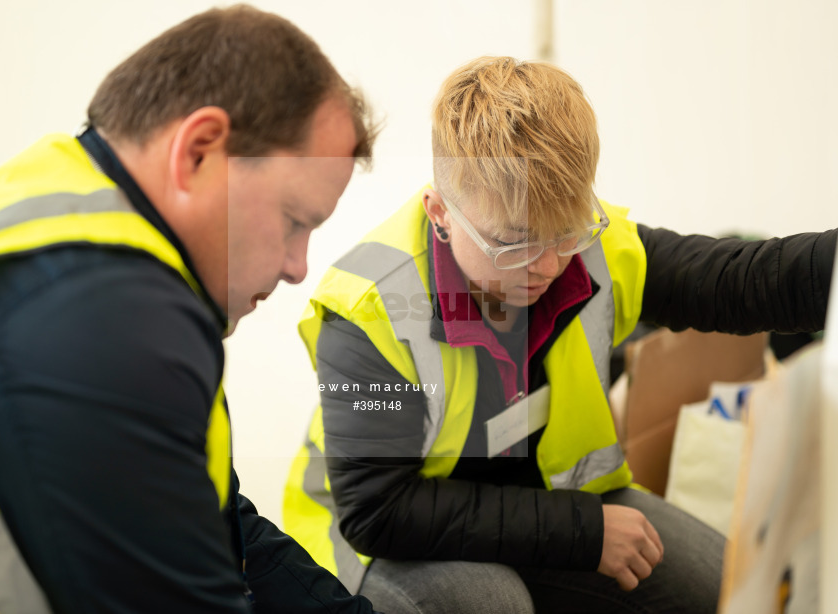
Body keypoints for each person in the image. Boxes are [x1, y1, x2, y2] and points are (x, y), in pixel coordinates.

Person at [283, 56, 836, 613]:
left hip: (542, 501)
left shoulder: (594, 251)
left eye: (566, 232)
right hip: (382, 541)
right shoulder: (369, 310)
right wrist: (580, 531)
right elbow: (380, 511)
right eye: (513, 242)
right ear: (440, 213)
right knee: (491, 603)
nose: (548, 266)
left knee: (731, 587)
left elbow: (742, 278)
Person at [0, 6, 382, 613]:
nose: (298, 266)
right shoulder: (102, 318)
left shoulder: (64, 211)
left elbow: (224, 532)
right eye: (294, 221)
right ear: (199, 151)